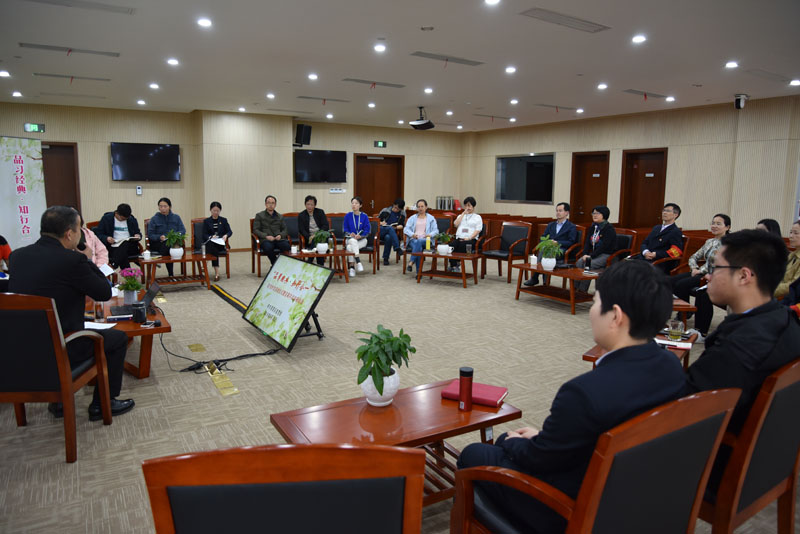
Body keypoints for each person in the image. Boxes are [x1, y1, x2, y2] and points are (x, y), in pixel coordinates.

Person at [457, 261, 686, 533]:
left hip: (572, 509)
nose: (591, 312)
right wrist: (543, 438)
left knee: (477, 452)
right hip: (634, 496)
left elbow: (540, 460)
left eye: (595, 302)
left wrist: (511, 441)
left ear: (615, 316)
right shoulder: (672, 367)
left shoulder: (584, 392)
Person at [8, 206, 135, 420]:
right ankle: (102, 404)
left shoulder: (17, 256)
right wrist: (87, 259)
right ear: (69, 234)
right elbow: (103, 292)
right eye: (79, 230)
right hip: (63, 346)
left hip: (22, 346)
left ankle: (58, 403)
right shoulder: (72, 260)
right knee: (118, 339)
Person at [685, 229, 800, 434]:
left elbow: (685, 405)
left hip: (711, 443)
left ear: (743, 275)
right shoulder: (785, 320)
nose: (708, 275)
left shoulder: (738, 346)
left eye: (715, 268)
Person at [671, 213, 731, 341]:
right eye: (713, 223)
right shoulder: (709, 241)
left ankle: (688, 314)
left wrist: (700, 270)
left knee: (683, 285)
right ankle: (686, 310)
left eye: (718, 224)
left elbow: (718, 264)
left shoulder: (729, 244)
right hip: (701, 272)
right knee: (671, 281)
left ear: (727, 227)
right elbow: (694, 257)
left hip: (714, 275)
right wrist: (694, 268)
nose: (714, 226)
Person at [524, 202, 578, 286]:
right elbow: (543, 237)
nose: (558, 213)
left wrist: (557, 243)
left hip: (561, 250)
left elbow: (571, 242)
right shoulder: (551, 225)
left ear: (567, 213)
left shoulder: (571, 227)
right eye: (557, 210)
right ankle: (544, 282)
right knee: (545, 251)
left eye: (560, 211)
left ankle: (535, 277)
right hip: (548, 248)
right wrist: (547, 243)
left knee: (545, 252)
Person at [574, 206, 616, 292]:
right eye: (593, 213)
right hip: (594, 253)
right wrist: (585, 254)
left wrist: (591, 256)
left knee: (589, 264)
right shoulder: (593, 227)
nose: (594, 215)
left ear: (604, 215)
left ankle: (582, 290)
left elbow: (604, 246)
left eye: (597, 213)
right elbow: (587, 243)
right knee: (579, 262)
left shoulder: (609, 229)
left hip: (606, 254)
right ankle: (575, 288)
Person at [636, 202, 684, 273]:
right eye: (663, 210)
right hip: (644, 258)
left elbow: (676, 251)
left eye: (668, 211)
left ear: (675, 215)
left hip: (659, 262)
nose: (664, 213)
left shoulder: (675, 231)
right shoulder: (656, 228)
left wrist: (656, 254)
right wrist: (645, 252)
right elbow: (645, 242)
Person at [93, 203, 142, 270]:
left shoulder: (131, 219)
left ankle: (114, 265)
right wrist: (107, 238)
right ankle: (128, 274)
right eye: (122, 218)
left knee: (124, 244)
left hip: (130, 247)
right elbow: (99, 234)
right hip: (113, 246)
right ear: (116, 213)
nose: (124, 220)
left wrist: (138, 235)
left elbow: (138, 232)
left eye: (126, 219)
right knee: (123, 255)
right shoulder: (106, 219)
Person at [147, 197, 186, 277]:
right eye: (161, 206)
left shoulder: (176, 217)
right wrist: (159, 237)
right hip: (158, 243)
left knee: (169, 245)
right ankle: (171, 274)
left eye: (165, 206)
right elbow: (150, 234)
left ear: (170, 207)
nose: (163, 208)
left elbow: (182, 230)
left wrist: (174, 236)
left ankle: (159, 260)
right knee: (167, 246)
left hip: (173, 242)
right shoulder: (154, 219)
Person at [253, 195, 290, 266]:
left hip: (278, 239)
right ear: (265, 204)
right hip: (266, 239)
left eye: (273, 203)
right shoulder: (259, 215)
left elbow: (285, 230)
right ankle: (275, 264)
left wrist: (280, 235)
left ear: (275, 205)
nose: (270, 205)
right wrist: (266, 236)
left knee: (286, 246)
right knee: (268, 247)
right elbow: (255, 230)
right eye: (268, 203)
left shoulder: (280, 216)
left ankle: (279, 264)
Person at [403, 199, 438, 273]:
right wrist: (412, 234)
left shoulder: (431, 218)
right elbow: (406, 229)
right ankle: (418, 273)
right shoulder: (412, 218)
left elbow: (436, 231)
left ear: (426, 207)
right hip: (413, 240)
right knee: (418, 246)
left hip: (427, 241)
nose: (420, 208)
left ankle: (411, 262)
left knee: (418, 242)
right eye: (418, 207)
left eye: (422, 206)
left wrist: (430, 234)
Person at [450, 196, 483, 273]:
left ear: (473, 206)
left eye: (469, 205)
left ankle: (456, 263)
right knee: (451, 245)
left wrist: (469, 237)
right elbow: (455, 224)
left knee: (462, 245)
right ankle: (454, 265)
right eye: (465, 205)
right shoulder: (460, 216)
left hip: (471, 240)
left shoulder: (477, 217)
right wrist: (463, 214)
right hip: (460, 238)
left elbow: (478, 230)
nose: (467, 207)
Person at [201, 201, 233, 282]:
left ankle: (205, 263)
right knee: (213, 246)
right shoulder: (206, 221)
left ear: (220, 211)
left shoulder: (223, 220)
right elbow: (204, 234)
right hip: (211, 243)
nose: (215, 212)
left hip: (220, 244)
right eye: (214, 210)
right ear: (210, 210)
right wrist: (210, 237)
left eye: (217, 211)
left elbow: (230, 231)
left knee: (212, 247)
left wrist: (226, 235)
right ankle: (217, 273)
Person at [342, 196, 371, 277]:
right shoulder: (348, 216)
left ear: (360, 205)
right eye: (352, 203)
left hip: (362, 240)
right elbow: (345, 229)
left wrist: (361, 236)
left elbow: (368, 230)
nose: (354, 205)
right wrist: (349, 234)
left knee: (349, 247)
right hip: (350, 239)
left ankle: (352, 268)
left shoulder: (364, 216)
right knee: (352, 242)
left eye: (356, 203)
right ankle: (358, 262)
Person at [298, 195, 330, 266]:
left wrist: (316, 235)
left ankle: (309, 262)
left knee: (317, 240)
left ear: (315, 205)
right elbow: (301, 230)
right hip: (308, 238)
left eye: (311, 205)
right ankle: (320, 265)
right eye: (308, 204)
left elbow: (325, 226)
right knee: (317, 243)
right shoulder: (301, 215)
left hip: (321, 236)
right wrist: (309, 237)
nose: (309, 206)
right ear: (305, 204)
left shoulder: (320, 212)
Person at [774, 220, 800, 300]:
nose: (791, 236)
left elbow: (793, 285)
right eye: (790, 232)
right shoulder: (792, 255)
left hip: (789, 300)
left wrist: (770, 290)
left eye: (796, 233)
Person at [378, 199, 406, 266]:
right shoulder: (385, 210)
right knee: (390, 228)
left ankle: (386, 258)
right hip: (381, 230)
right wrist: (381, 223)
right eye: (395, 207)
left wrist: (395, 227)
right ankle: (397, 247)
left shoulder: (402, 213)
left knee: (388, 237)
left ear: (401, 209)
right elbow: (376, 221)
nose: (395, 209)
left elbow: (402, 225)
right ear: (393, 205)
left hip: (392, 233)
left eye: (398, 209)